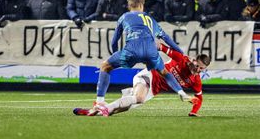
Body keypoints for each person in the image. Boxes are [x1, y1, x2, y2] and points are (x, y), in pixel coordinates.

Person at [90, 0, 193, 116]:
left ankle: (100, 102)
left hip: (131, 50)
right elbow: (167, 38)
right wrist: (181, 53)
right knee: (165, 73)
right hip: (151, 52)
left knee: (105, 66)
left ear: (129, 6)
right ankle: (181, 92)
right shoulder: (151, 19)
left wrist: (116, 55)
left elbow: (114, 41)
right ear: (141, 5)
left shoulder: (124, 17)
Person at [74, 44, 210, 117]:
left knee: (120, 109)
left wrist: (194, 111)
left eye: (201, 69)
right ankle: (101, 107)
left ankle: (92, 111)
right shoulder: (182, 59)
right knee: (139, 98)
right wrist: (155, 46)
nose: (198, 69)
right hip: (149, 76)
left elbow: (199, 98)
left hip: (153, 91)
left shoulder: (196, 80)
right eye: (197, 65)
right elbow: (163, 47)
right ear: (193, 60)